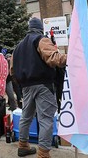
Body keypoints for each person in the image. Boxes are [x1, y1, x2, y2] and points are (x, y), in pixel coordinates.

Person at [10, 17, 67, 158]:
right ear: (40, 28)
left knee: (26, 116)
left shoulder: (17, 47)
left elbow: (12, 70)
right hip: (43, 85)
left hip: (26, 86)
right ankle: (43, 153)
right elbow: (53, 58)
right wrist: (73, 56)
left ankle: (23, 146)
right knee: (46, 119)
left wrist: (22, 84)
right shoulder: (41, 39)